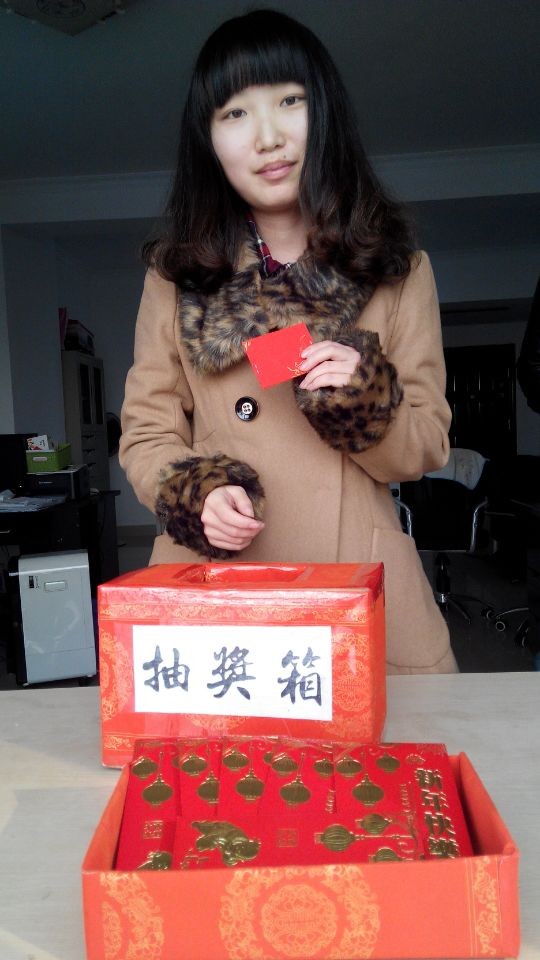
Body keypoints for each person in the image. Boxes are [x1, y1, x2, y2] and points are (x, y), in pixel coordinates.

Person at [120, 9, 457, 675]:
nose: (268, 137)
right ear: (208, 140)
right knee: (224, 738)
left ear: (324, 111)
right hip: (223, 584)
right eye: (235, 113)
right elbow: (146, 433)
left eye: (289, 101)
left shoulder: (396, 267)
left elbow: (427, 443)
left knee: (386, 739)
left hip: (355, 578)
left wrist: (366, 401)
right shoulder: (177, 276)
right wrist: (197, 494)